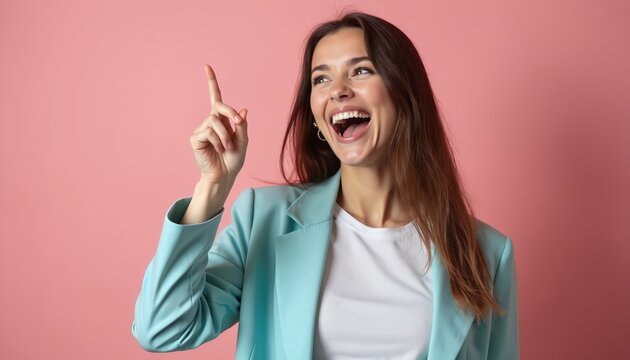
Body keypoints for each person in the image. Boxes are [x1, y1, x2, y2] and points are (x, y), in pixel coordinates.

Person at [132, 11, 518, 360]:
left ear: (405, 95)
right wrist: (211, 187)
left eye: (361, 71)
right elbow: (162, 328)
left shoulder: (486, 253)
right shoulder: (264, 220)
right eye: (321, 78)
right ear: (317, 117)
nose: (337, 90)